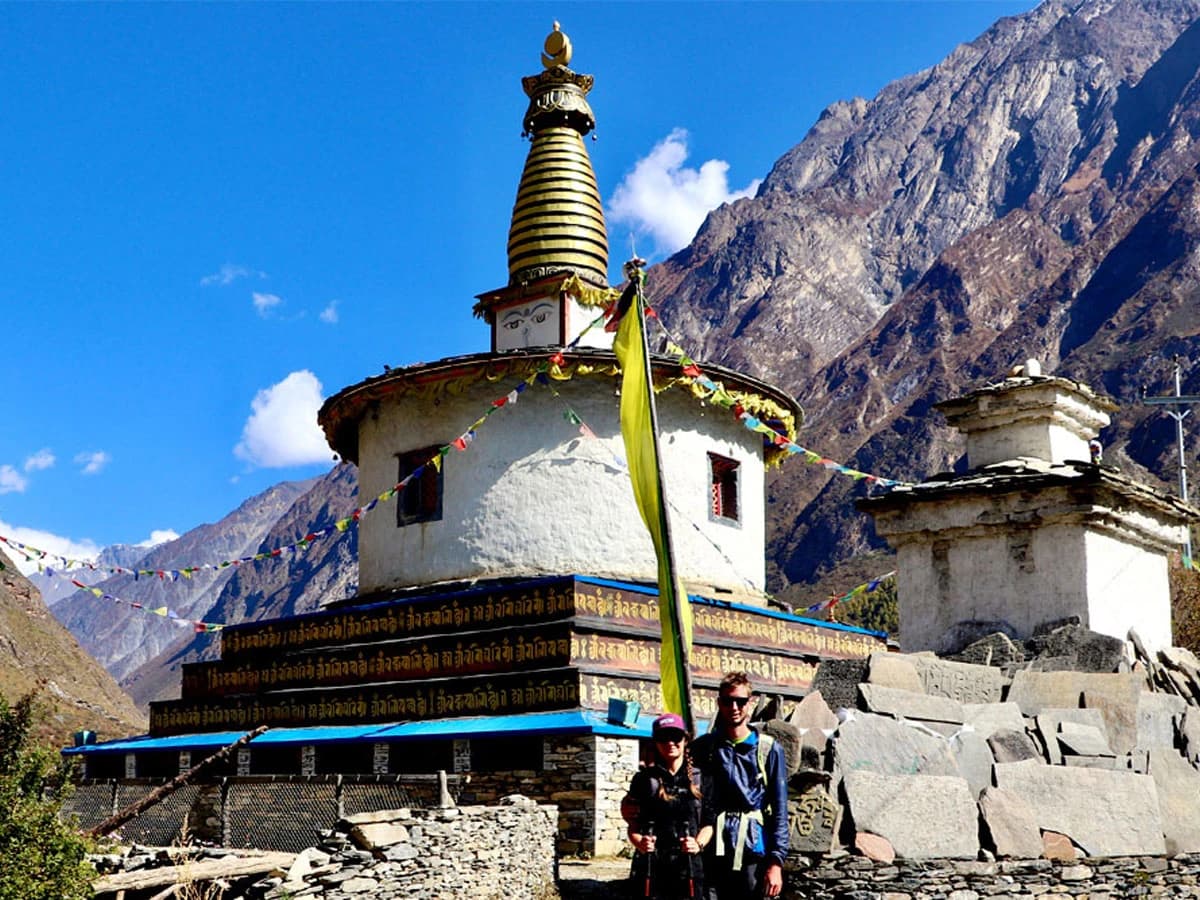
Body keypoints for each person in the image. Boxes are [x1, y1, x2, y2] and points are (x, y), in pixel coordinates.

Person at [691, 672, 788, 899]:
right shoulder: (704, 748)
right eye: (727, 701)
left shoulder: (768, 750)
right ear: (719, 703)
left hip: (754, 848)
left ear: (750, 703)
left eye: (741, 701)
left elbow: (780, 809)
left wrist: (776, 862)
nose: (734, 707)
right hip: (713, 846)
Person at [625, 713, 713, 899]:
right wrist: (639, 842)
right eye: (663, 738)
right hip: (652, 867)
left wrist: (698, 844)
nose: (670, 742)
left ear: (685, 739)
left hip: (690, 867)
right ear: (655, 742)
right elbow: (632, 822)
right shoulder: (643, 780)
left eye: (675, 737)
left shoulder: (701, 778)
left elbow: (709, 822)